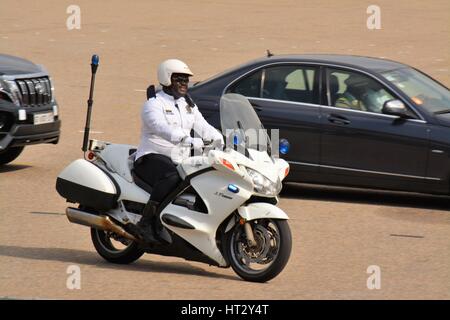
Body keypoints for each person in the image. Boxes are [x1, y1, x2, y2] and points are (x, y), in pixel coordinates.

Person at [130, 59, 223, 243]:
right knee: (172, 176)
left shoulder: (188, 105)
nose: (184, 84)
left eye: (186, 80)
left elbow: (203, 125)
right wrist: (185, 139)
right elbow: (160, 127)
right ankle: (146, 222)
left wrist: (221, 139)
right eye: (179, 79)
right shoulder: (153, 104)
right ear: (167, 79)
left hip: (179, 158)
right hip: (151, 156)